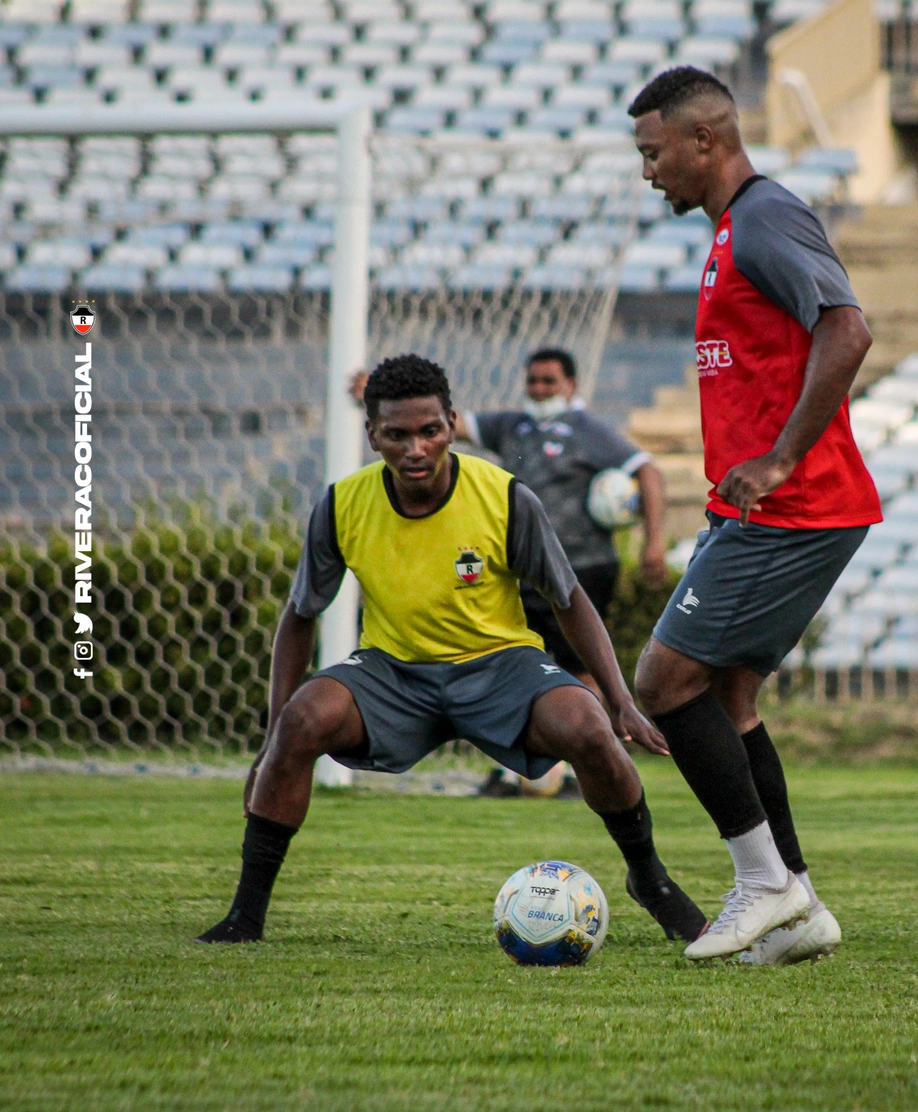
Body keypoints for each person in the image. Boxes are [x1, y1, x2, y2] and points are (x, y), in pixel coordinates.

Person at [196, 354, 707, 947]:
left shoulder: (505, 497)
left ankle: (651, 880)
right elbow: (301, 615)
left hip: (502, 666)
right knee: (304, 718)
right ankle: (245, 916)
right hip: (393, 674)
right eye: (397, 434)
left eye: (429, 431)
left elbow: (569, 600)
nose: (415, 448)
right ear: (373, 436)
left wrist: (618, 700)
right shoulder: (341, 505)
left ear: (451, 424)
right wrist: (272, 738)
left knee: (589, 727)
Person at [626, 67, 882, 962]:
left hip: (796, 507)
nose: (648, 171)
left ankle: (762, 883)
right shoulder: (731, 230)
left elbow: (847, 330)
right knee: (730, 699)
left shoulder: (767, 217)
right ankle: (800, 906)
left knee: (659, 686)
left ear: (705, 141)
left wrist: (777, 461)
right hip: (767, 511)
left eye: (654, 153)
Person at [459, 348, 668, 798]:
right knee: (509, 664)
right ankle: (509, 769)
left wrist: (653, 542)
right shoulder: (512, 426)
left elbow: (647, 471)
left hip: (582, 566)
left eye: (549, 382)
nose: (539, 390)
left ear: (570, 386)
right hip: (519, 569)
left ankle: (581, 770)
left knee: (581, 667)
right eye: (533, 381)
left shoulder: (587, 431)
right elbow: (449, 423)